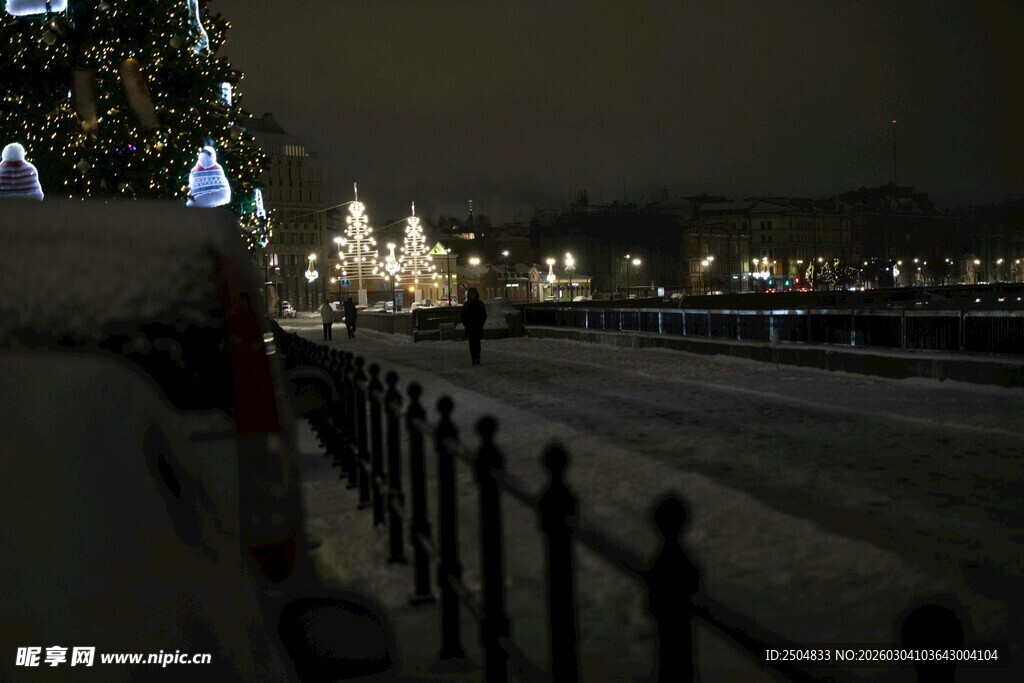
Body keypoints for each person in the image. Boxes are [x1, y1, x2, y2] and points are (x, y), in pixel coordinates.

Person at [459, 287, 487, 365]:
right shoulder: (467, 305)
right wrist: (466, 324)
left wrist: (481, 323)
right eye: (471, 294)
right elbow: (462, 316)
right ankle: (473, 357)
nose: (472, 295)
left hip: (477, 326)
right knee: (472, 343)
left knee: (477, 343)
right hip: (470, 327)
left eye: (474, 294)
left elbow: (484, 315)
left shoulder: (480, 304)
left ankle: (477, 357)